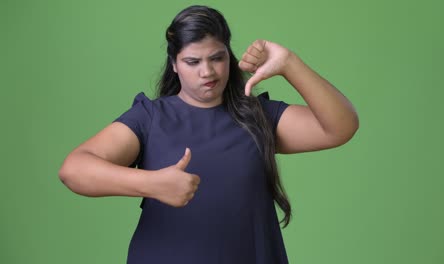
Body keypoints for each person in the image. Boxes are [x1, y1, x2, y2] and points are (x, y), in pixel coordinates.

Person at [59, 5, 359, 264]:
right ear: (175, 64)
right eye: (193, 62)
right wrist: (151, 183)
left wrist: (288, 63)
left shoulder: (258, 117)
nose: (208, 72)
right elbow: (74, 170)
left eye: (217, 58)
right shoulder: (150, 118)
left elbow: (340, 127)